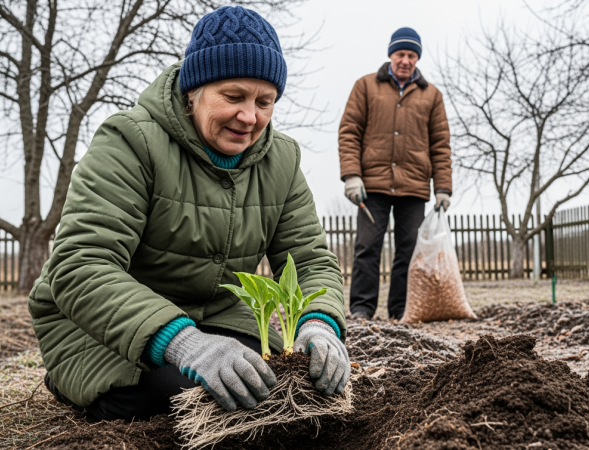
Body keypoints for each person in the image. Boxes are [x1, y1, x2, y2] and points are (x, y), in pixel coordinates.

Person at [28, 6, 349, 422]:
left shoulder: (280, 159)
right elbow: (81, 266)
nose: (249, 117)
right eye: (233, 96)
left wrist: (320, 323)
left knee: (280, 383)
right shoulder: (130, 141)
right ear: (193, 89)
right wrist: (186, 344)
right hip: (100, 328)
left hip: (215, 317)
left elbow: (310, 259)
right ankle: (78, 382)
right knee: (188, 398)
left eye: (264, 101)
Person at [338, 27, 453, 321]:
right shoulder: (365, 87)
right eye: (401, 53)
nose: (406, 60)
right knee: (367, 248)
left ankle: (400, 311)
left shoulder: (432, 95)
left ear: (417, 59)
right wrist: (352, 175)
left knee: (409, 251)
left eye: (412, 55)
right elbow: (349, 132)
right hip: (371, 185)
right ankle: (361, 309)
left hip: (414, 187)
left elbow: (441, 144)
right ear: (391, 54)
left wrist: (443, 188)